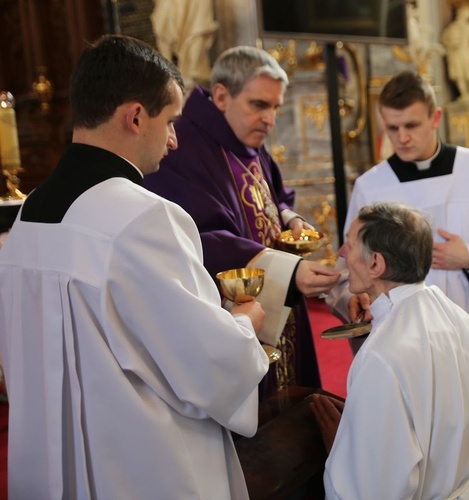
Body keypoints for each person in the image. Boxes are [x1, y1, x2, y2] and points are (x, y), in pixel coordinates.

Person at [0, 35, 269, 498]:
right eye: (170, 121)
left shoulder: (28, 217)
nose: (173, 139)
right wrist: (244, 326)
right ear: (136, 116)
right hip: (141, 469)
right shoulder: (143, 217)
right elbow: (205, 366)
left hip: (51, 467)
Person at [326, 70, 469, 499]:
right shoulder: (372, 184)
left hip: (467, 326)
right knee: (411, 437)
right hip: (400, 338)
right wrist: (350, 296)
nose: (401, 138)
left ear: (436, 117)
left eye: (412, 125)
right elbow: (354, 257)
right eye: (392, 128)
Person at [144, 46, 340, 399]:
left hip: (280, 302)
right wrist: (287, 272)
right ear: (221, 95)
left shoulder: (244, 136)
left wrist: (289, 217)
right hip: (232, 314)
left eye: (275, 107)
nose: (270, 119)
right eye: (259, 105)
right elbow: (198, 236)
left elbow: (274, 195)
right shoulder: (182, 146)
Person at [312, 202, 469, 499]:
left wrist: (343, 449)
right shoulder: (458, 317)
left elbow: (373, 488)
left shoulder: (382, 355)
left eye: (348, 244)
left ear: (375, 264)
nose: (343, 254)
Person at [441, 4, 469, 101]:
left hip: (468, 51)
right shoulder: (454, 26)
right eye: (467, 13)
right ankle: (464, 94)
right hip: (458, 53)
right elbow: (445, 39)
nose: (468, 16)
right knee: (460, 74)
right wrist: (452, 43)